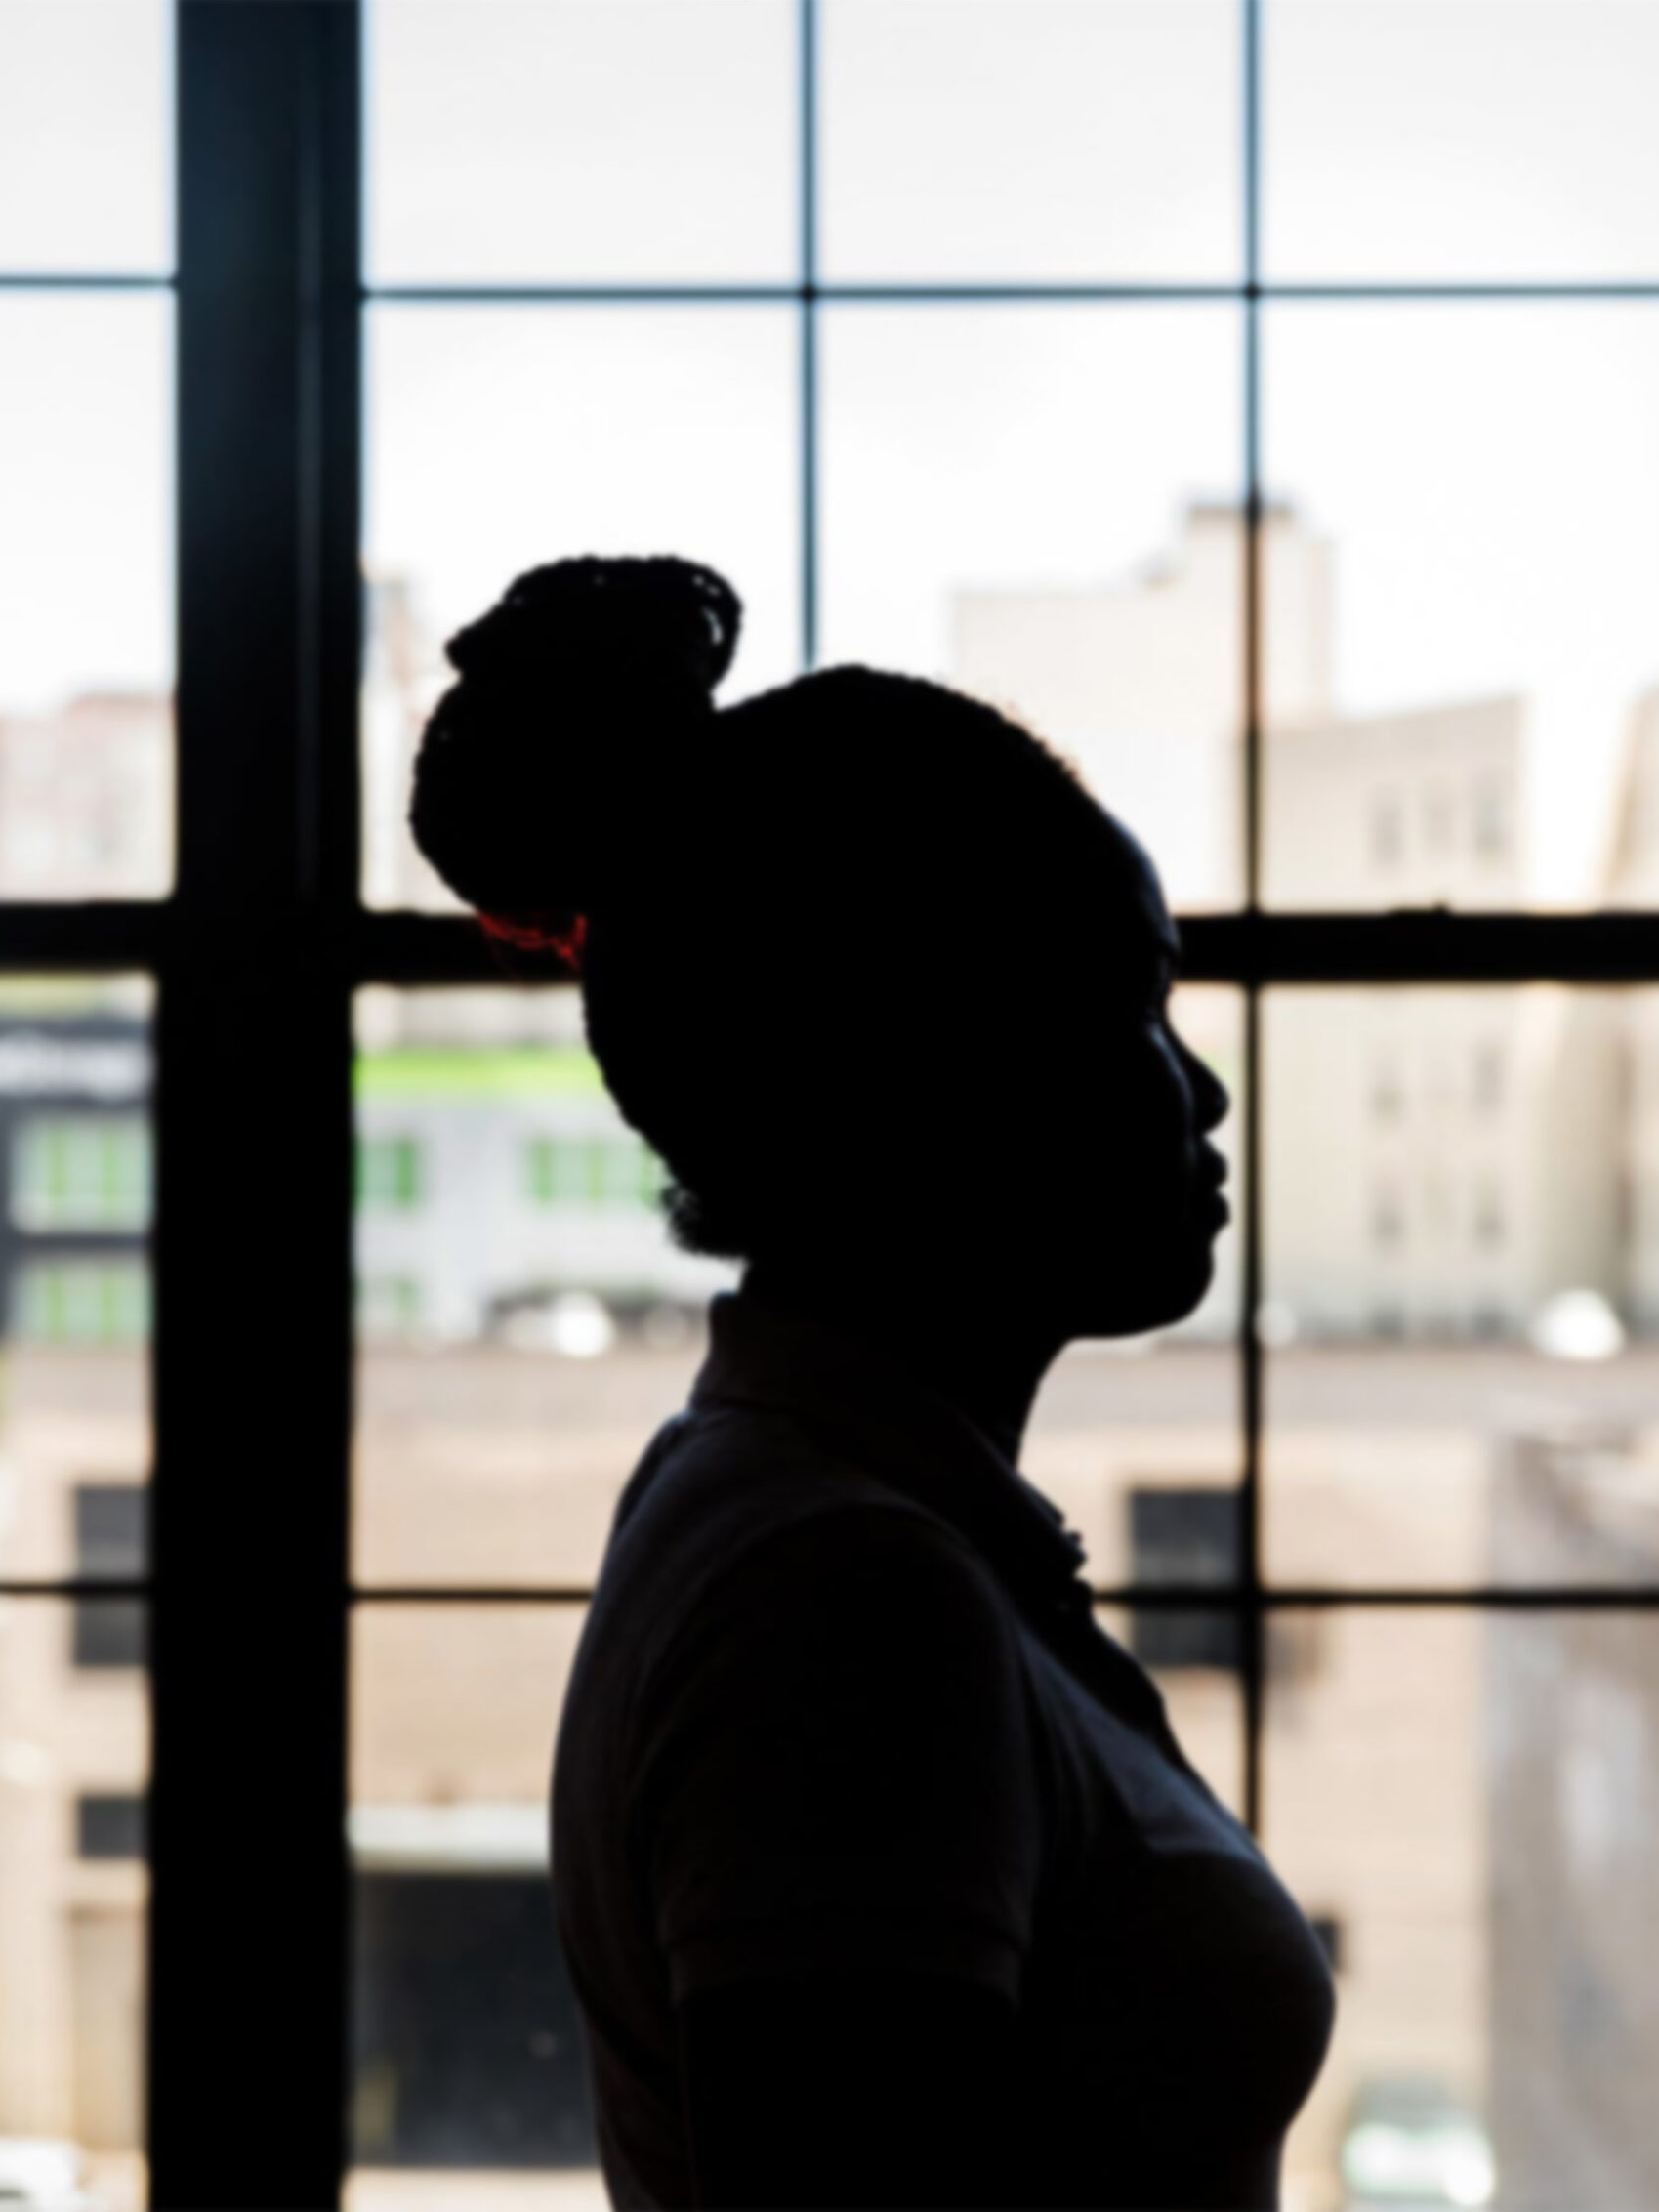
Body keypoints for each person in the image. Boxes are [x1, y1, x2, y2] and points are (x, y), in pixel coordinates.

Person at [410, 555, 1336, 2209]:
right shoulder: (847, 1597)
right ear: (933, 1055)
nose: (1202, 1089)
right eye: (1130, 999)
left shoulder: (815, 1516)